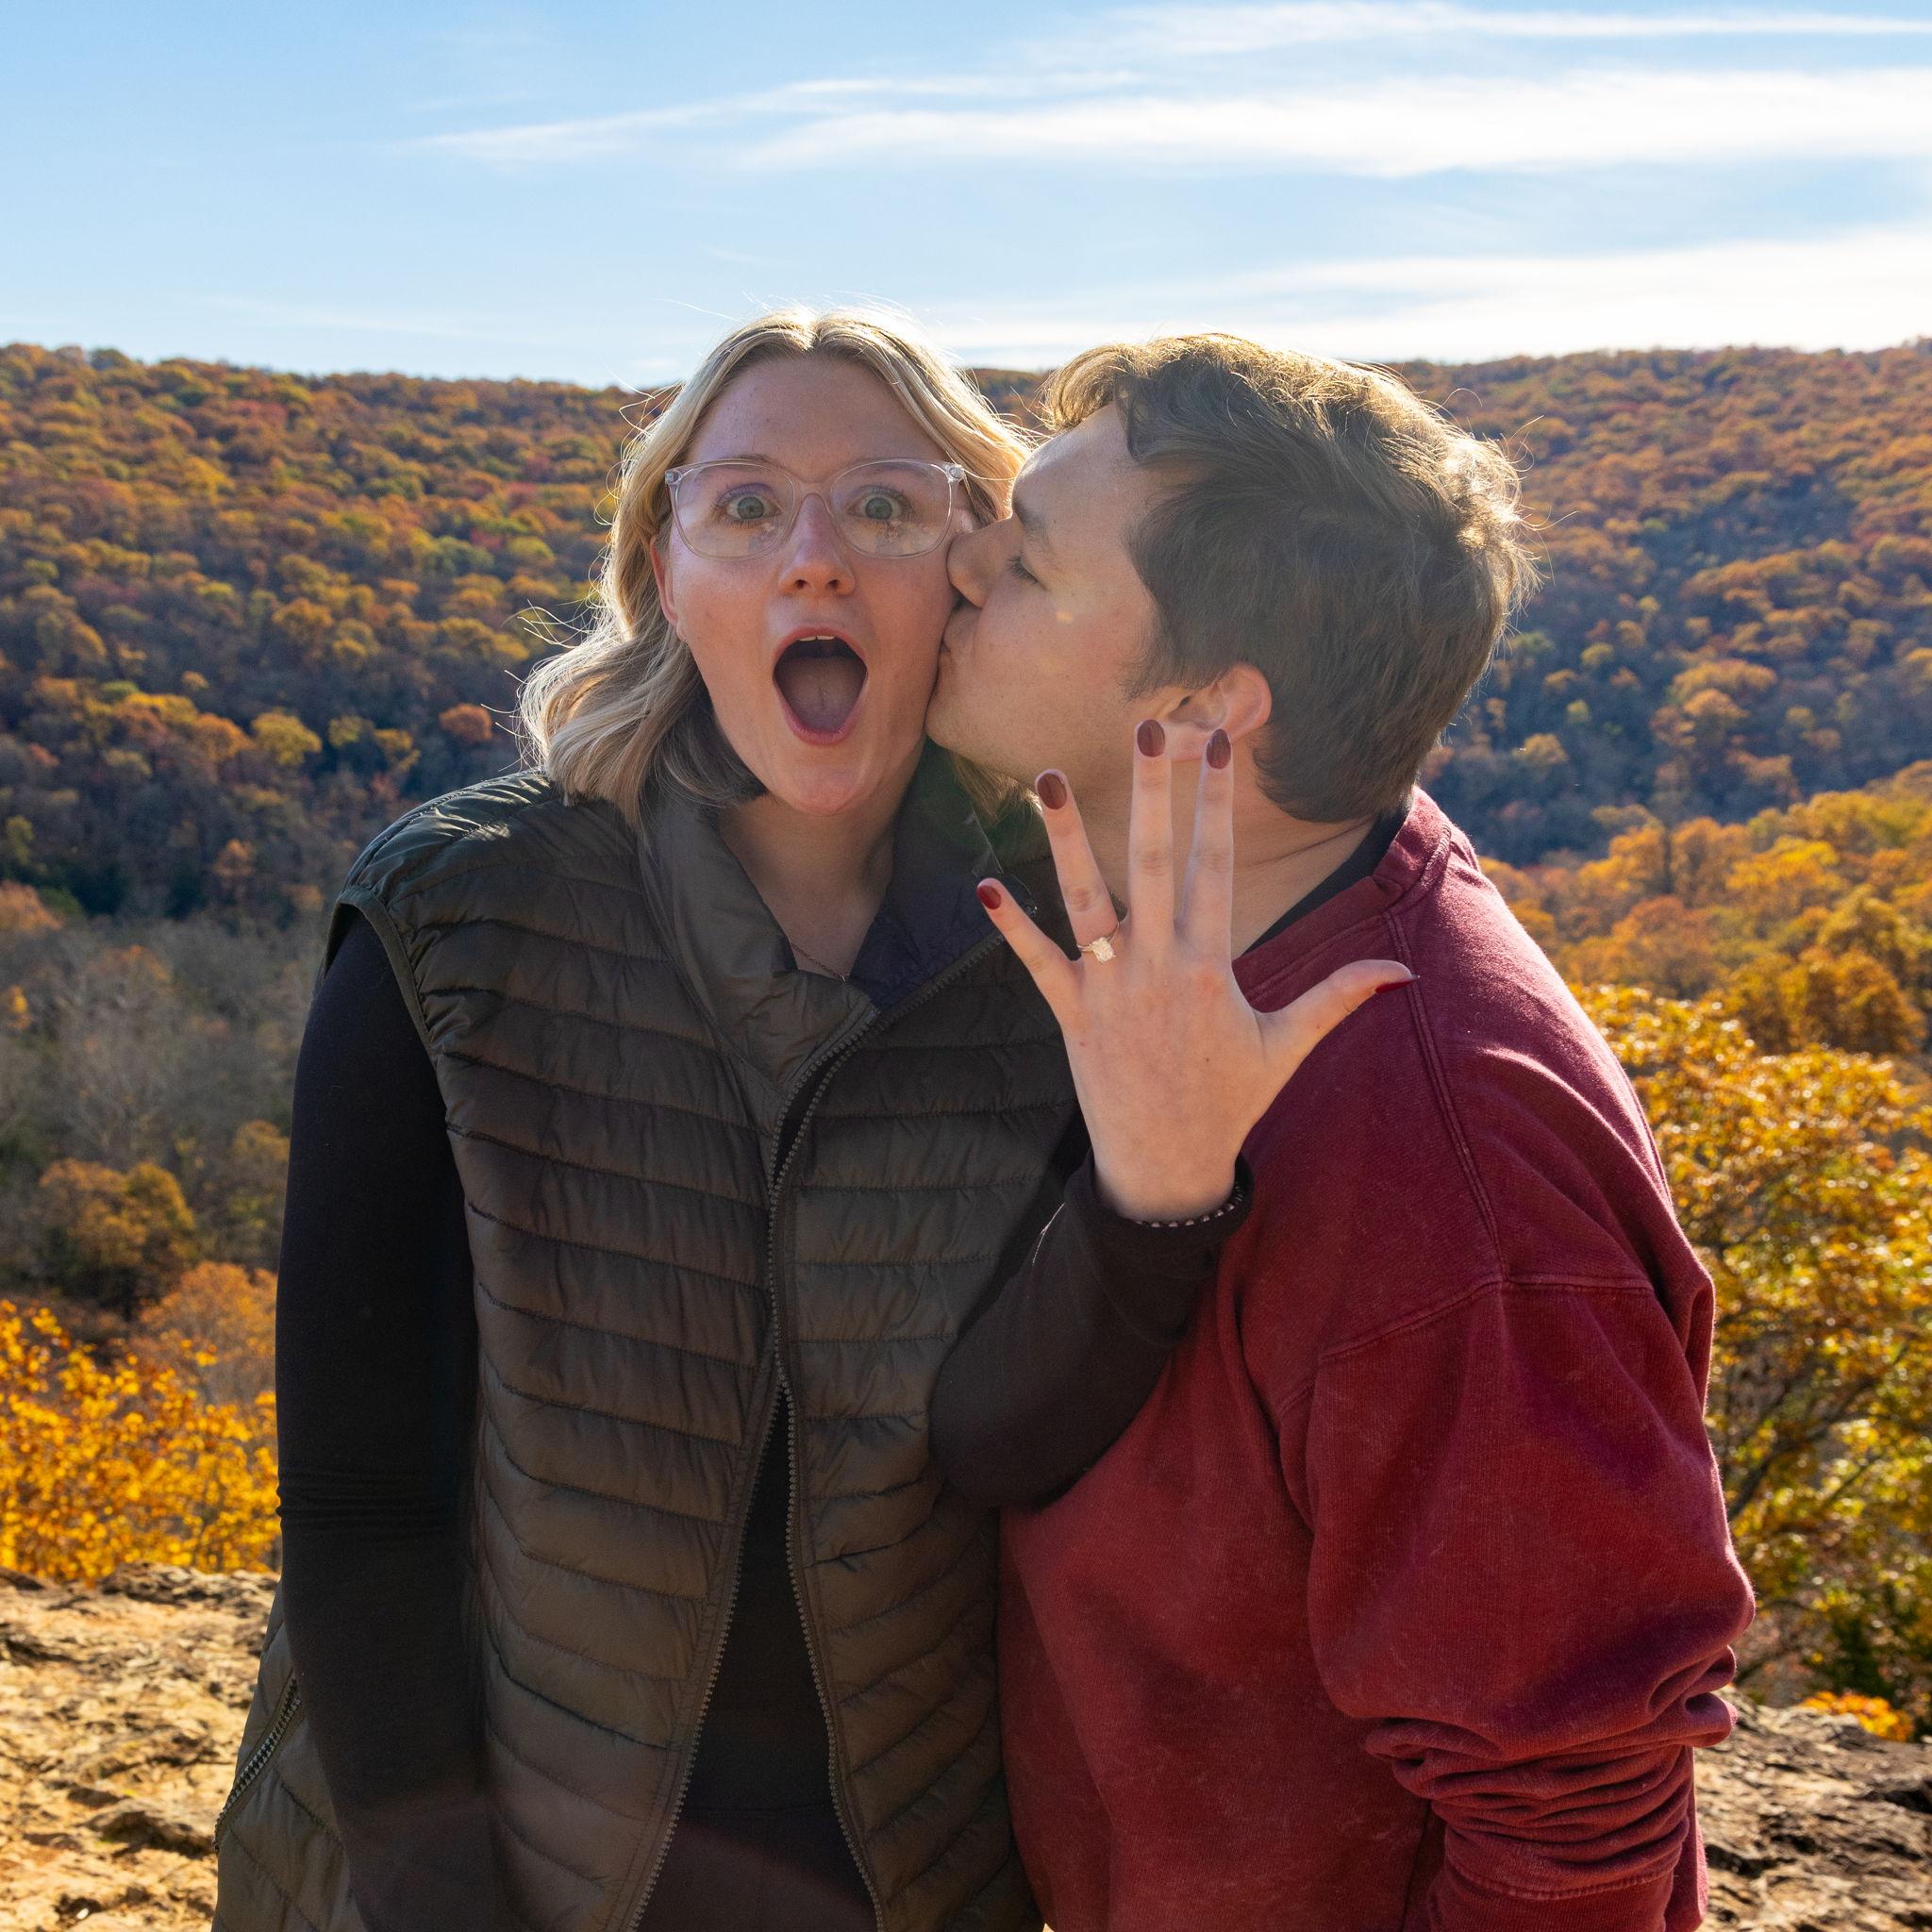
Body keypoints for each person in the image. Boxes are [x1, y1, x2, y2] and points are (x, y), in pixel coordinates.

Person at [209, 308, 1400, 1932]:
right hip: (472, 1875)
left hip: (891, 1879)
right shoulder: (455, 914)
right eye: (749, 505)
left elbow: (995, 1443)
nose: (816, 562)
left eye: (889, 509)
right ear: (666, 572)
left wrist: (1161, 1199)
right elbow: (361, 1507)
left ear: (969, 581)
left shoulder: (1059, 954)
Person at [927, 335, 1758, 1932]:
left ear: (1202, 715)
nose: (961, 562)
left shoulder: (1445, 1159)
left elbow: (1572, 1813)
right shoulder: (1199, 910)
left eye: (1025, 563)